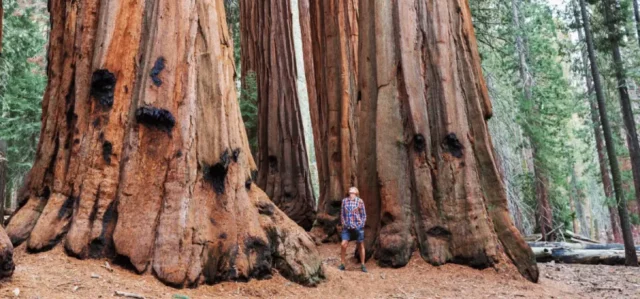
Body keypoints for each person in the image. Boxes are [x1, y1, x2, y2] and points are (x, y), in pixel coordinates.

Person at [338, 187, 367, 272]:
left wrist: (361, 225)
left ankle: (363, 265)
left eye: (353, 193)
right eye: (350, 193)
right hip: (347, 227)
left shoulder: (360, 201)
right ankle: (342, 264)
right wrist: (344, 223)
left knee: (360, 245)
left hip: (358, 227)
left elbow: (363, 215)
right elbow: (342, 214)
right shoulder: (344, 201)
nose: (351, 194)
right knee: (343, 244)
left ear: (356, 194)